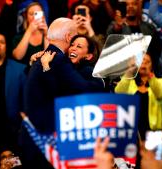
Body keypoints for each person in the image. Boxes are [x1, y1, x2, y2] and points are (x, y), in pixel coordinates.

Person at [22, 17, 105, 169]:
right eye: (73, 41)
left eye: (79, 46)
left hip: (39, 139)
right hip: (47, 140)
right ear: (68, 37)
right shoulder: (58, 59)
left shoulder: (47, 58)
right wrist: (101, 84)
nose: (73, 47)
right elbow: (81, 89)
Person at [115, 53, 162, 139]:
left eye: (147, 62)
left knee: (154, 153)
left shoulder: (161, 81)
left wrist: (150, 77)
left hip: (154, 131)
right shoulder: (129, 82)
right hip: (132, 129)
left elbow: (161, 93)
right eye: (141, 61)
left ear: (152, 65)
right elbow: (118, 92)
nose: (144, 64)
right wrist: (129, 72)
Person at [12, 2, 48, 69]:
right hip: (23, 75)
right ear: (26, 17)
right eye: (31, 14)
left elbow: (49, 58)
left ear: (43, 15)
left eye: (37, 14)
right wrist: (29, 31)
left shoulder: (49, 36)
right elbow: (18, 56)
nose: (35, 17)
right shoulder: (18, 37)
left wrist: (46, 34)